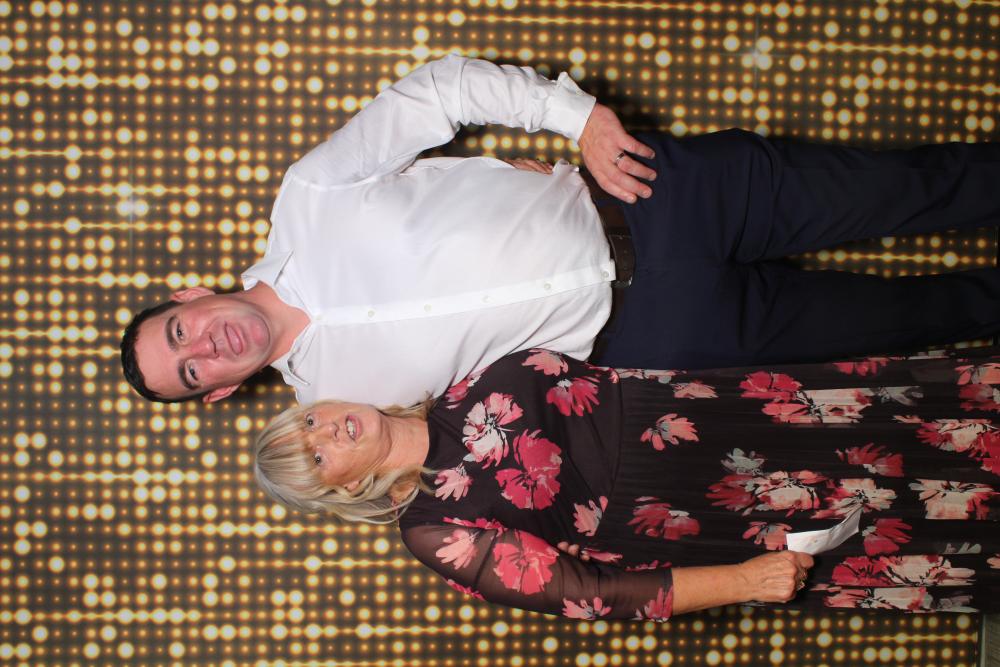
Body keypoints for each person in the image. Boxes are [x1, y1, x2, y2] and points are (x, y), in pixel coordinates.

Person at [121, 54, 1000, 406]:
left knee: (912, 187)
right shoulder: (335, 413)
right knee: (911, 323)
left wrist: (573, 118)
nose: (204, 346)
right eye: (191, 369)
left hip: (649, 194)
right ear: (218, 392)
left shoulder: (308, 196)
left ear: (191, 295)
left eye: (179, 331)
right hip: (657, 336)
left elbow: (436, 92)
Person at [253, 348, 1000, 619]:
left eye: (310, 420)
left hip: (721, 408)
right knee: (921, 516)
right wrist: (743, 580)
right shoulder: (431, 530)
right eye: (314, 456)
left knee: (920, 425)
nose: (328, 432)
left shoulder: (447, 387)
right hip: (696, 509)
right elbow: (590, 593)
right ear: (340, 490)